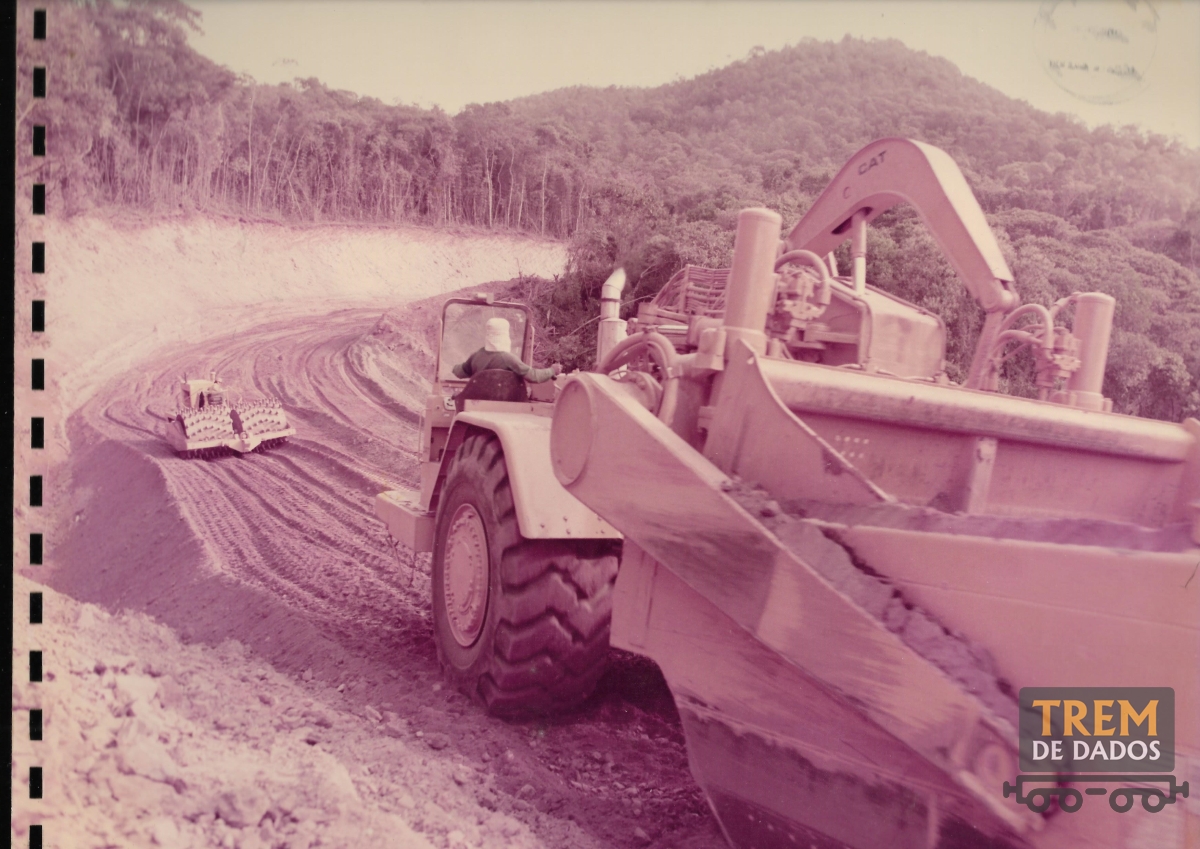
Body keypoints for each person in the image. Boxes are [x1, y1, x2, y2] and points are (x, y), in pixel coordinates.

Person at [453, 317, 562, 383]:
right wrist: (552, 370)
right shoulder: (508, 359)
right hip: (503, 404)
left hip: (477, 404)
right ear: (505, 334)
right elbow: (533, 376)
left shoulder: (476, 356)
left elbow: (459, 373)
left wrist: (452, 367)